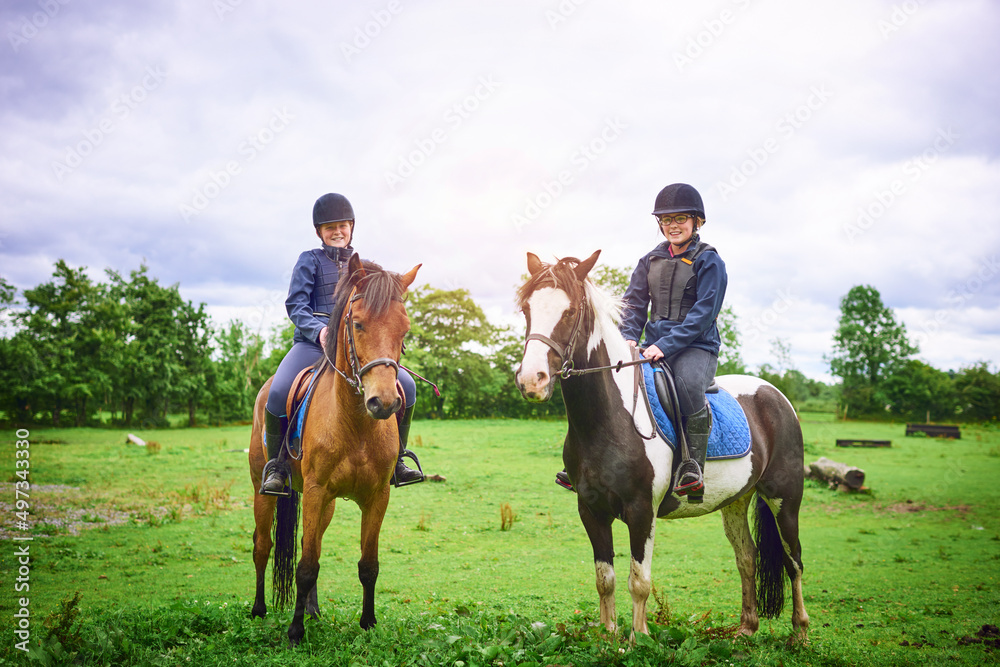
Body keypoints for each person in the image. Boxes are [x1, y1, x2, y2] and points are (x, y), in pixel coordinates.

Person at [259, 193, 424, 495]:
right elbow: (296, 305)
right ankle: (278, 466)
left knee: (408, 387)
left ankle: (397, 459)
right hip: (312, 344)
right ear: (319, 232)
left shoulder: (366, 266)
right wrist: (319, 331)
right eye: (329, 227)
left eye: (343, 226)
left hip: (354, 348)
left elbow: (381, 307)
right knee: (278, 391)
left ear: (351, 227)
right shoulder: (309, 261)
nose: (337, 231)